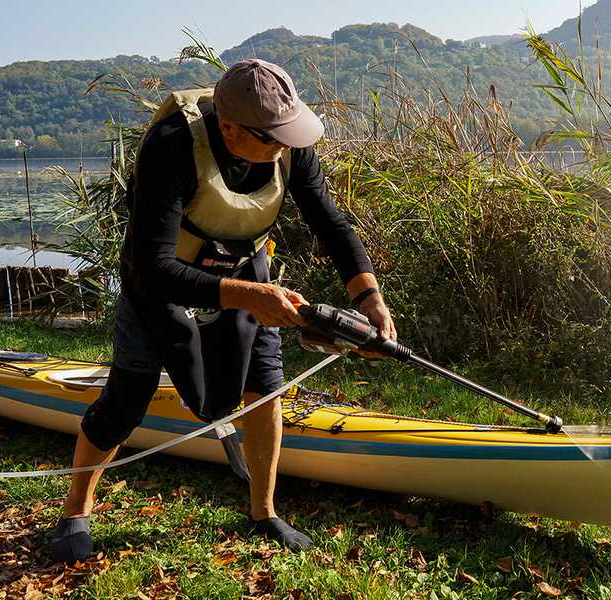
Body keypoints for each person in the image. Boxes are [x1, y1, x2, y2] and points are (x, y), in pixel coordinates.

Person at [48, 59, 396, 562]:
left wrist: (371, 299)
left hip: (246, 270)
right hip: (163, 280)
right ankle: (75, 511)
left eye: (289, 134)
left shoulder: (288, 144)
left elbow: (333, 227)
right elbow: (152, 267)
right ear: (229, 126)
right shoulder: (173, 143)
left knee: (265, 390)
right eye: (272, 138)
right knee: (128, 396)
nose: (285, 146)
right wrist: (250, 298)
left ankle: (264, 510)